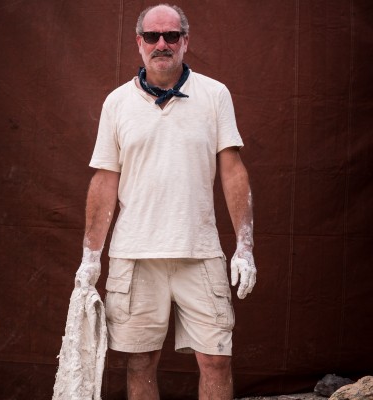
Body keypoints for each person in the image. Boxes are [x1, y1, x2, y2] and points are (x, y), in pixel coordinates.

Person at [75, 4, 257, 399]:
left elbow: (232, 171)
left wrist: (245, 246)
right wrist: (91, 257)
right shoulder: (117, 103)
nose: (162, 44)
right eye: (153, 36)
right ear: (138, 42)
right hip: (135, 253)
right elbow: (105, 181)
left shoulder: (214, 95)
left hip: (200, 250)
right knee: (140, 361)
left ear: (185, 41)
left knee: (216, 359)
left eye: (171, 36)